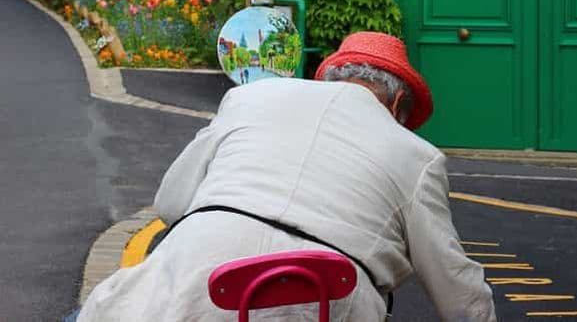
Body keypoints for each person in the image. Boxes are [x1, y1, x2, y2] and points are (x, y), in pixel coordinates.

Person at [76, 31, 496, 321]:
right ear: (398, 102)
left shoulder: (251, 96)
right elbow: (457, 292)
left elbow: (170, 205)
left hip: (200, 285)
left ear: (330, 77)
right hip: (329, 299)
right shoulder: (416, 155)